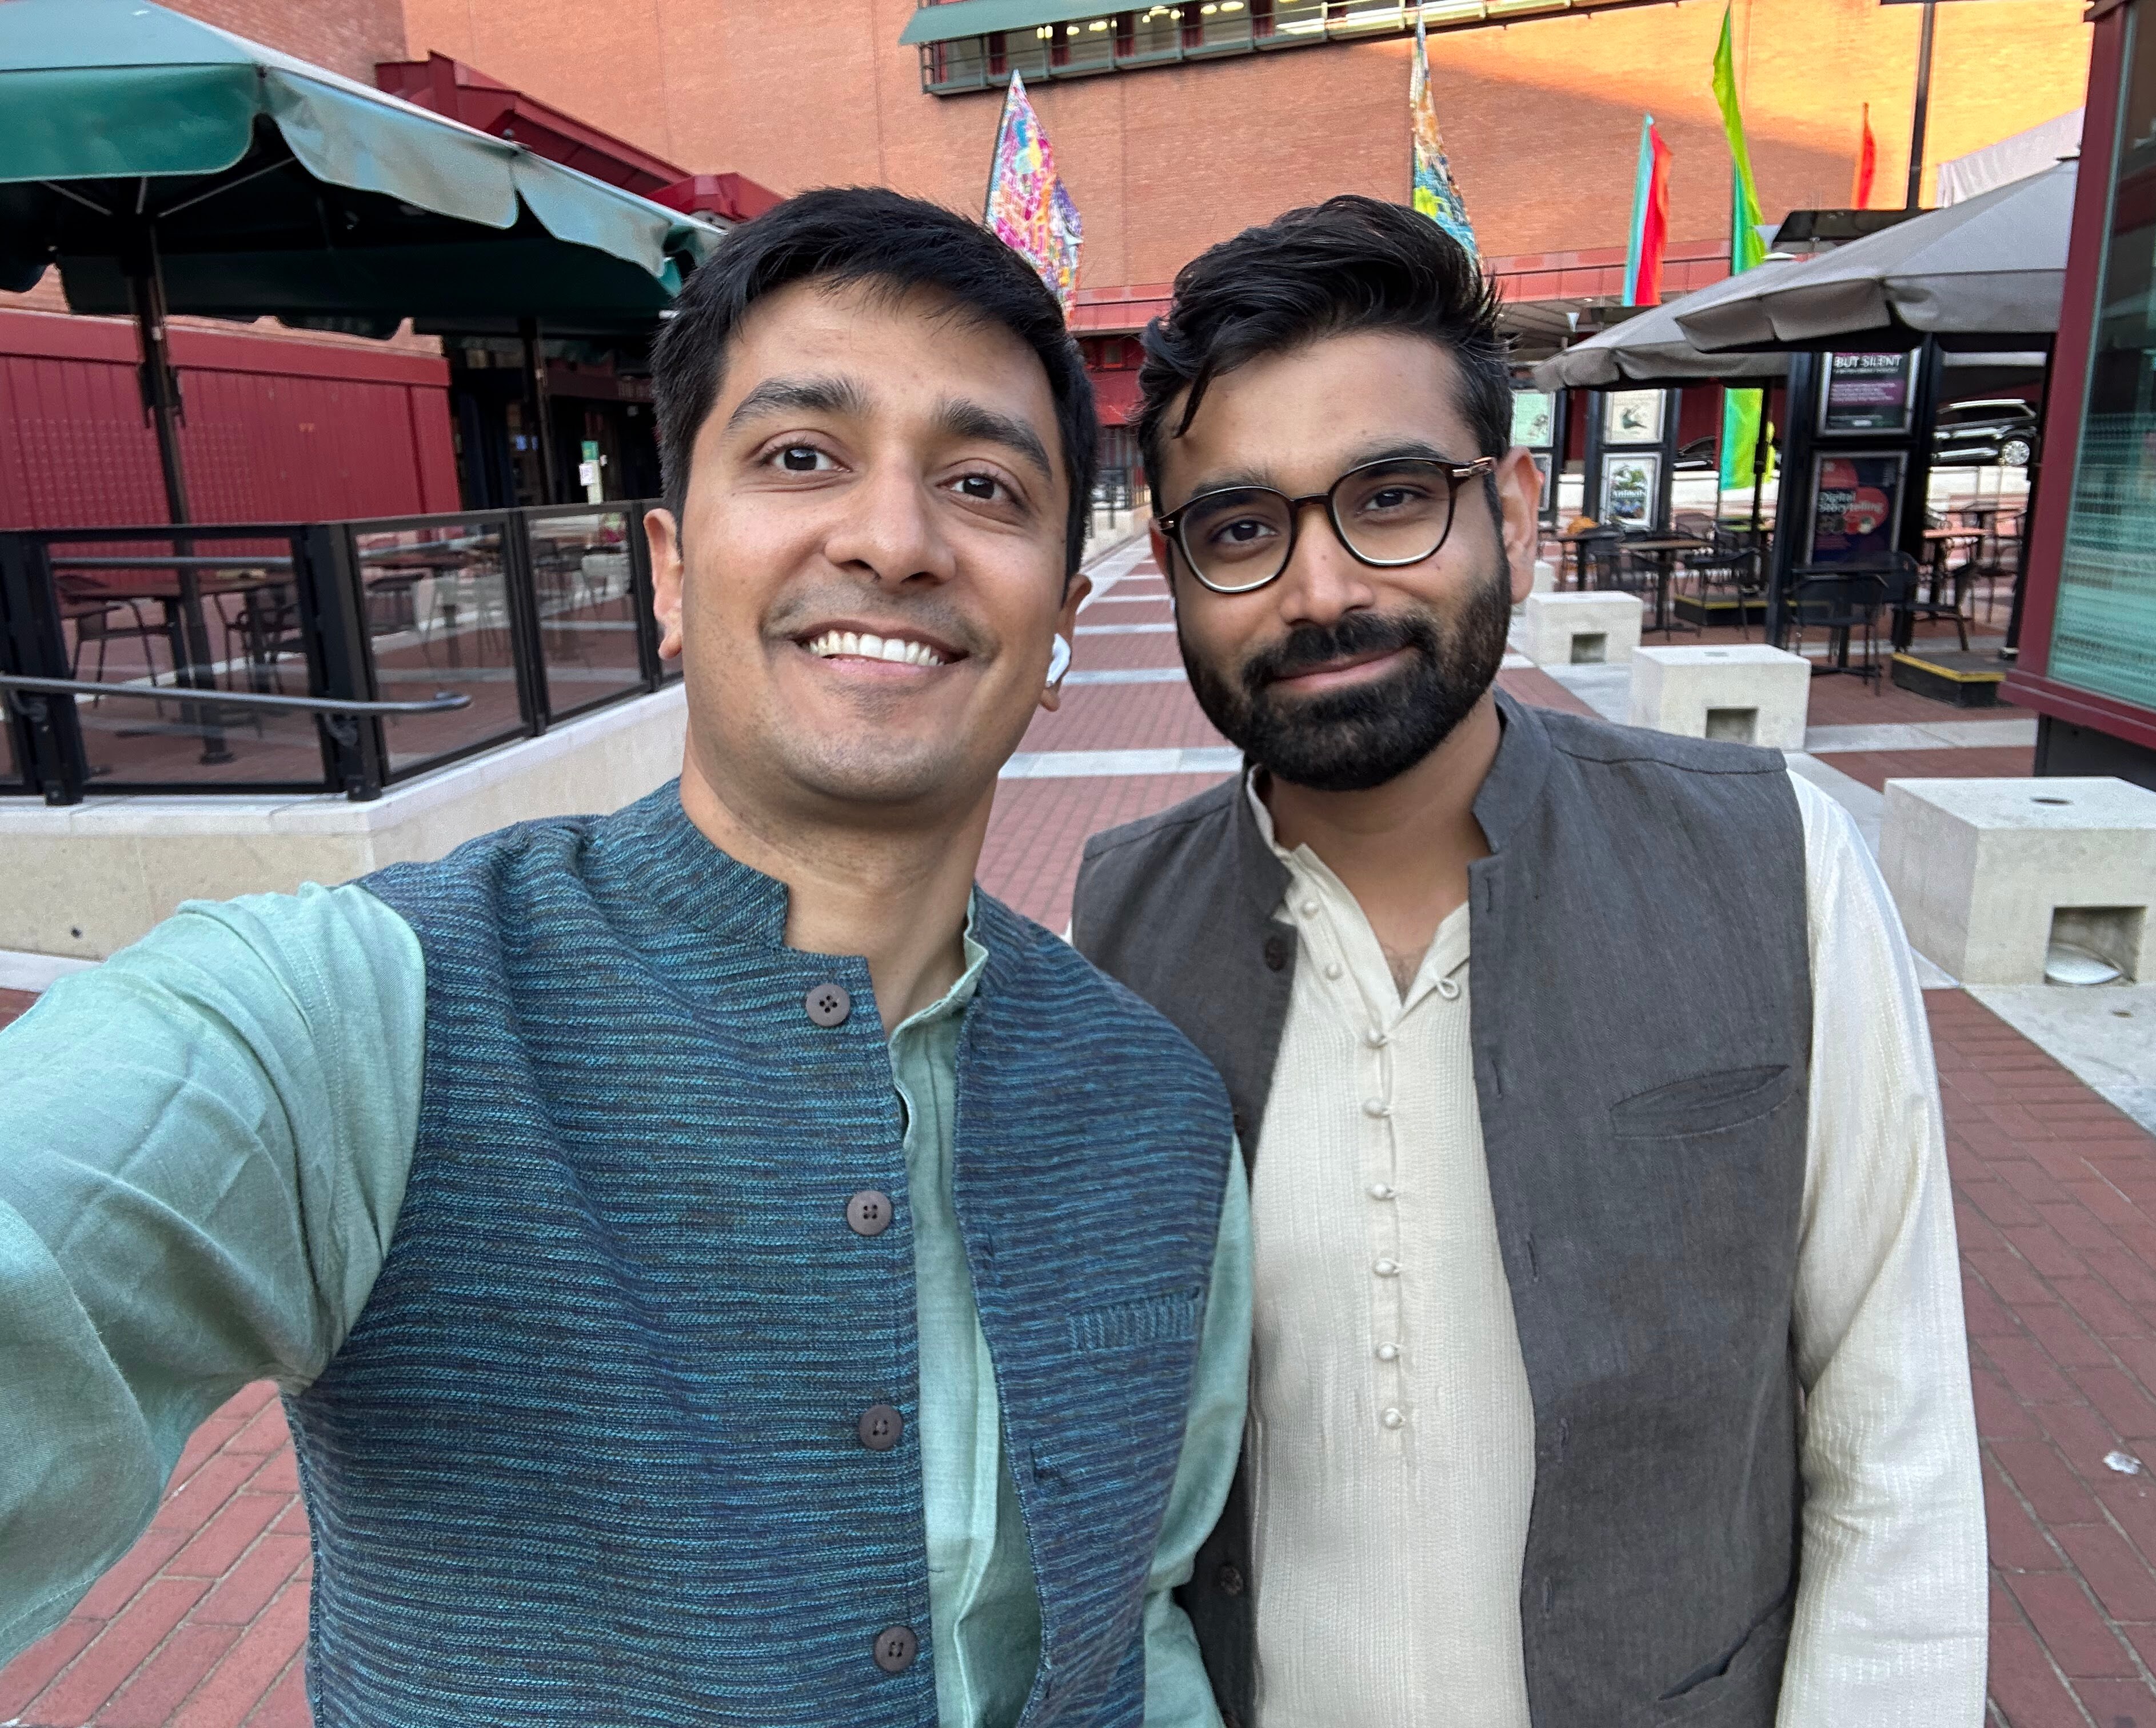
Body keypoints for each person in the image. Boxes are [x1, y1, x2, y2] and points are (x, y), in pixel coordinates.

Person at [0, 188, 1249, 1728]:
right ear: (669, 567)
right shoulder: (372, 1012)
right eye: (801, 457)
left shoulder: (1157, 1112)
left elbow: (1145, 1619)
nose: (892, 538)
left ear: (1061, 619)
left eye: (984, 484)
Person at [1071, 195, 1986, 1728]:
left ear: (1514, 504)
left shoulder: (1777, 872)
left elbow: (1895, 1464)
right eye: (1241, 528)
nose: (1321, 589)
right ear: (1167, 570)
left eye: (1392, 497)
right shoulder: (1115, 940)